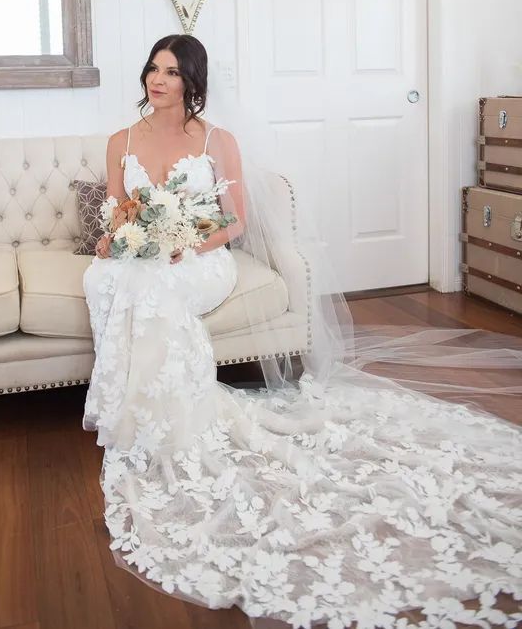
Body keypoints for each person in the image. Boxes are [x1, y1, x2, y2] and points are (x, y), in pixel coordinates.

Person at [83, 33, 522, 629]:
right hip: (143, 255)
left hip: (199, 260)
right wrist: (118, 240)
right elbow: (117, 212)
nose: (156, 80)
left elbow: (233, 220)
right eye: (152, 70)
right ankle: (142, 412)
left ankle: (159, 418)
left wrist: (187, 243)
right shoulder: (120, 140)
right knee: (115, 280)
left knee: (152, 287)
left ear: (192, 81)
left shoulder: (217, 140)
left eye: (170, 72)